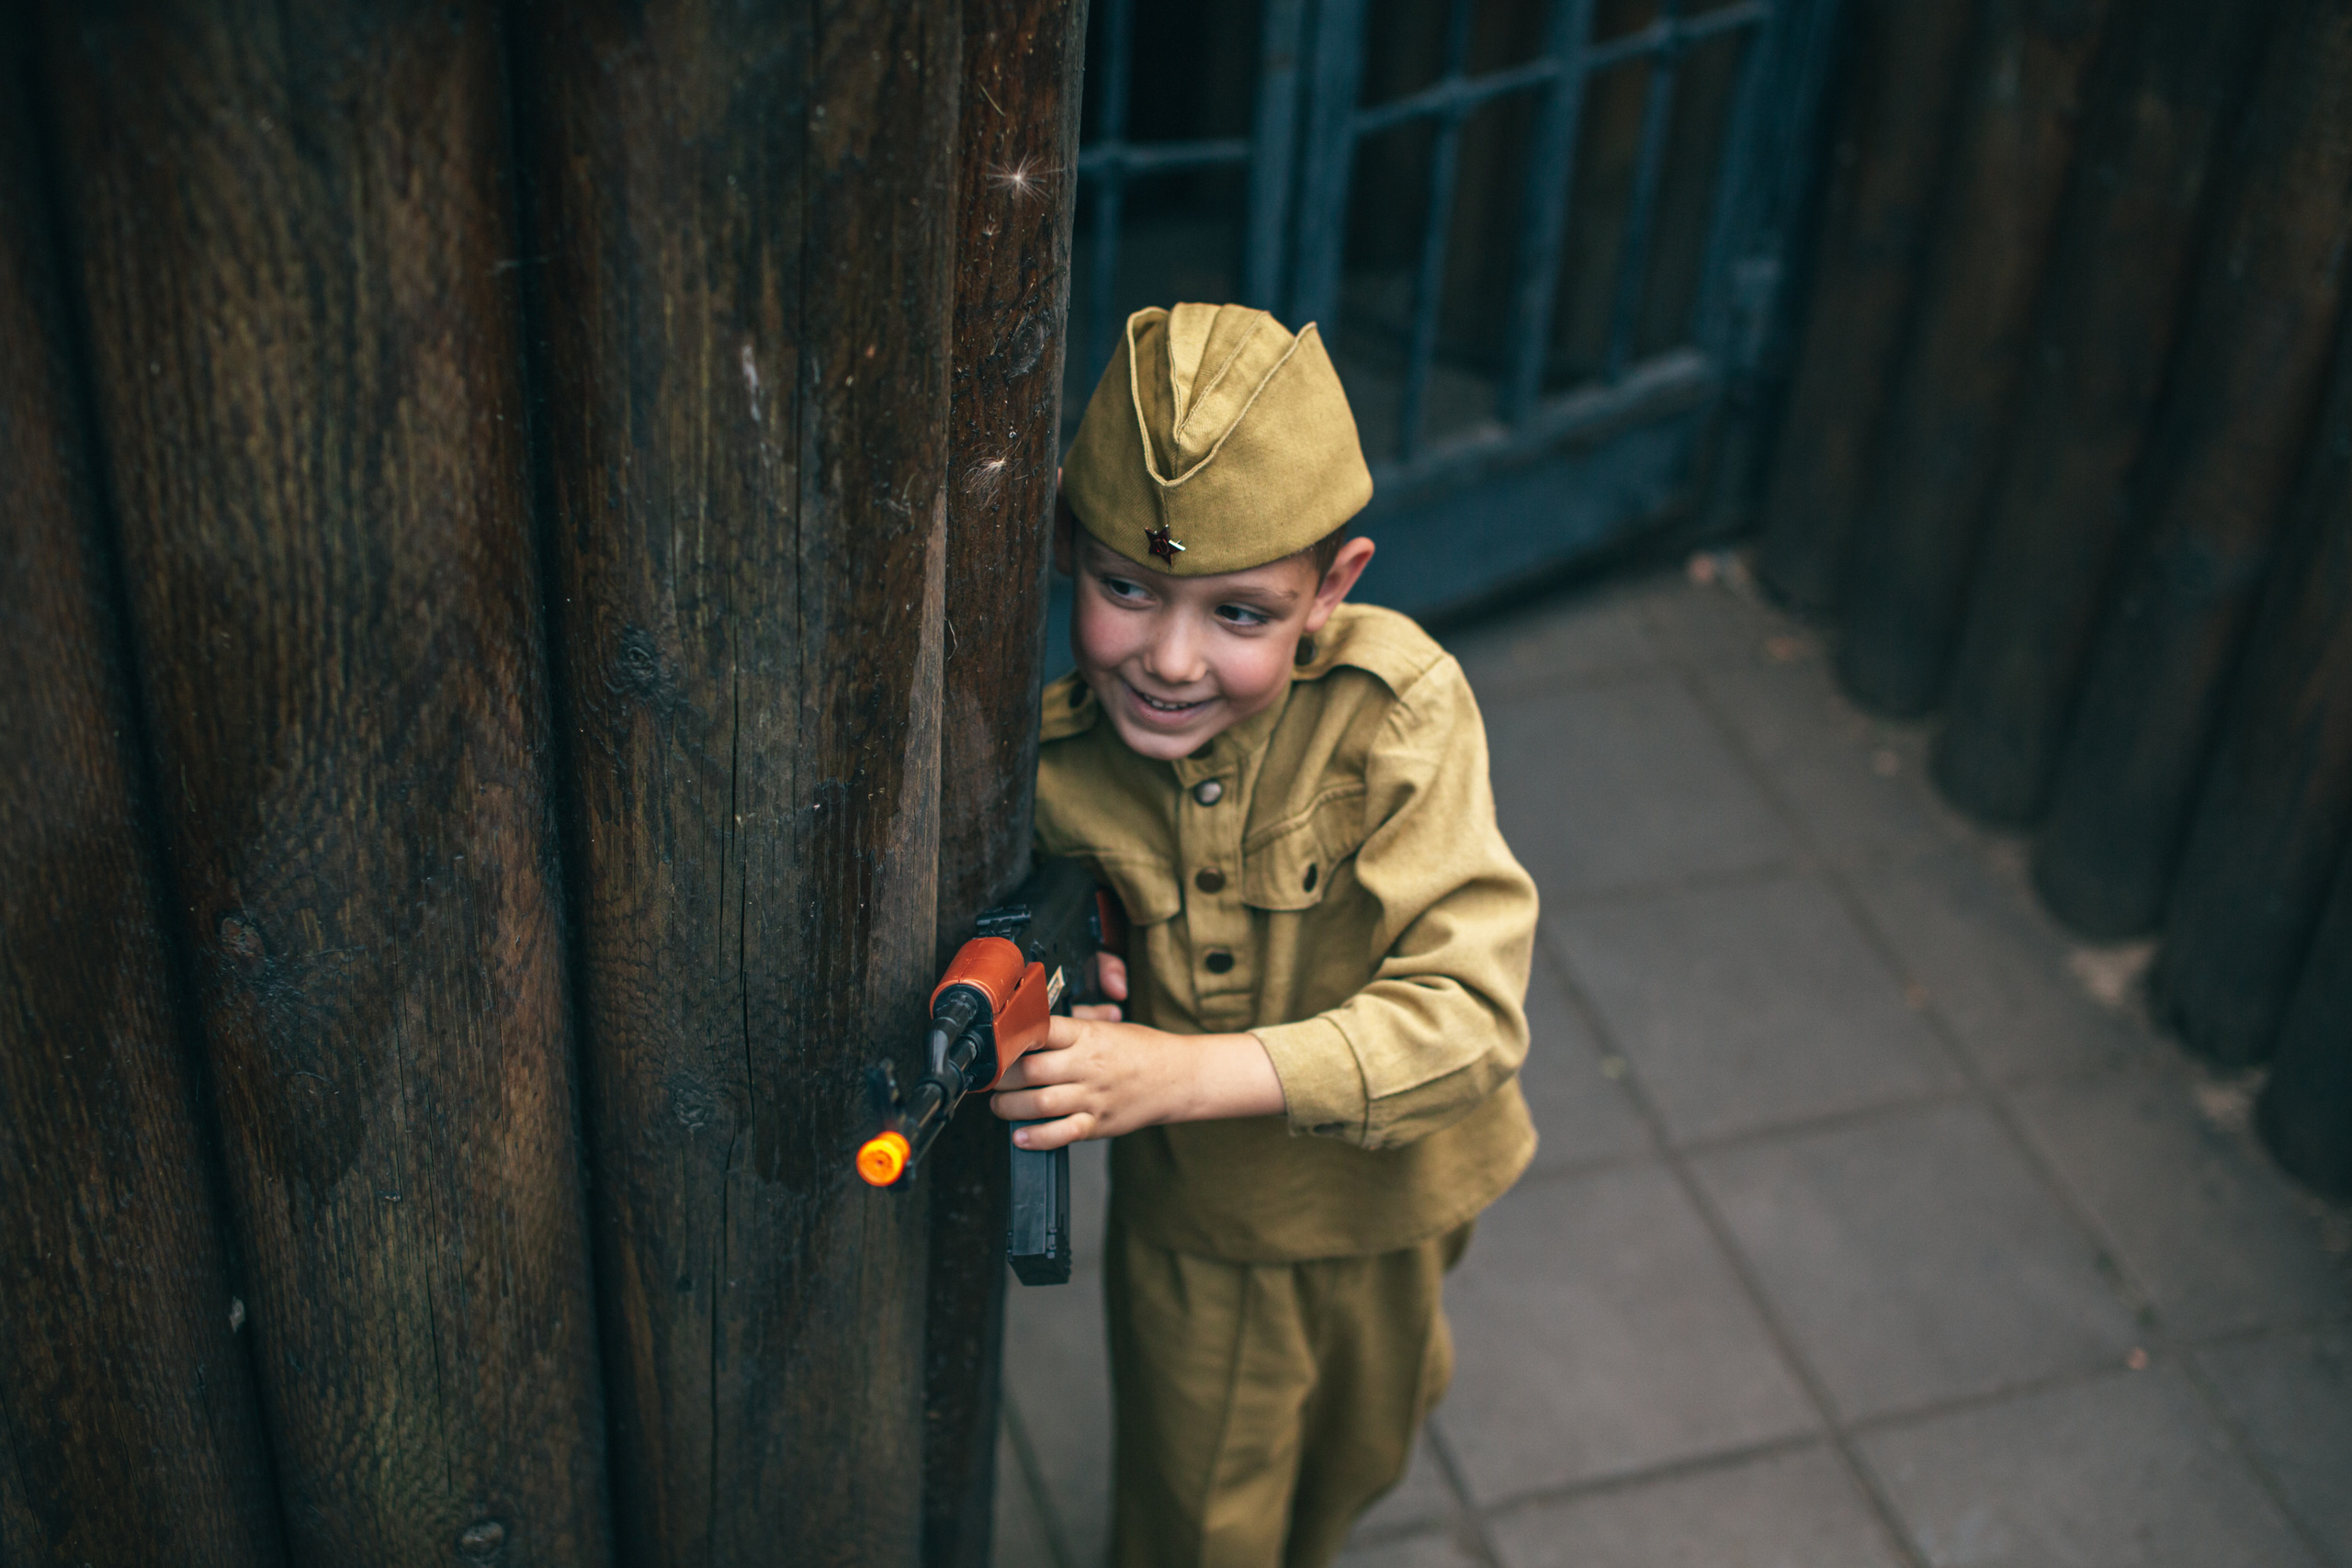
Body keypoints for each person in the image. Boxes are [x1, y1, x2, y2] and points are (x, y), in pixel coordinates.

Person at [989, 301, 1539, 1568]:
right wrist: (1069, 1012)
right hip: (1214, 1233)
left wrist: (1182, 1070)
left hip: (1407, 1198)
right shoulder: (1047, 770)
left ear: (1331, 589)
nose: (1170, 660)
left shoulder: (1398, 711)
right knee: (1196, 1526)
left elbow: (1472, 1018)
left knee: (1364, 1454)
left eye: (1240, 614)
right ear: (1070, 552)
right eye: (1126, 590)